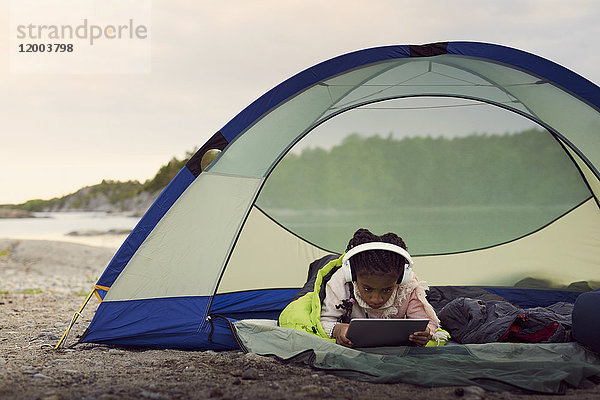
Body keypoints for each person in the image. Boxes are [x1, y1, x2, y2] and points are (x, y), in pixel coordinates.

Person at [278, 228, 447, 348]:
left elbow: (428, 323)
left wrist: (424, 333)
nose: (376, 299)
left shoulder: (408, 285)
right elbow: (324, 321)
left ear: (400, 279)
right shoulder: (342, 281)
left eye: (387, 290)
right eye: (367, 289)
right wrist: (337, 330)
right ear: (353, 277)